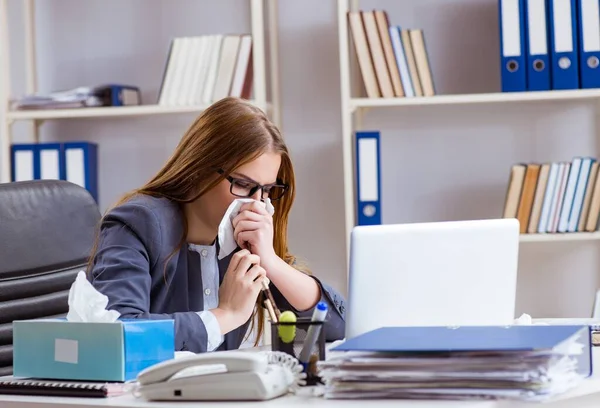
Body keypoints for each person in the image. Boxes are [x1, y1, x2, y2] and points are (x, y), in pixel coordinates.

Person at [88, 97, 346, 353]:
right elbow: (118, 335)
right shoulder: (137, 223)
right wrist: (226, 315)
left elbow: (333, 329)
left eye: (267, 190)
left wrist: (271, 261)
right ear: (199, 169)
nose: (256, 204)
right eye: (244, 185)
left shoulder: (244, 240)